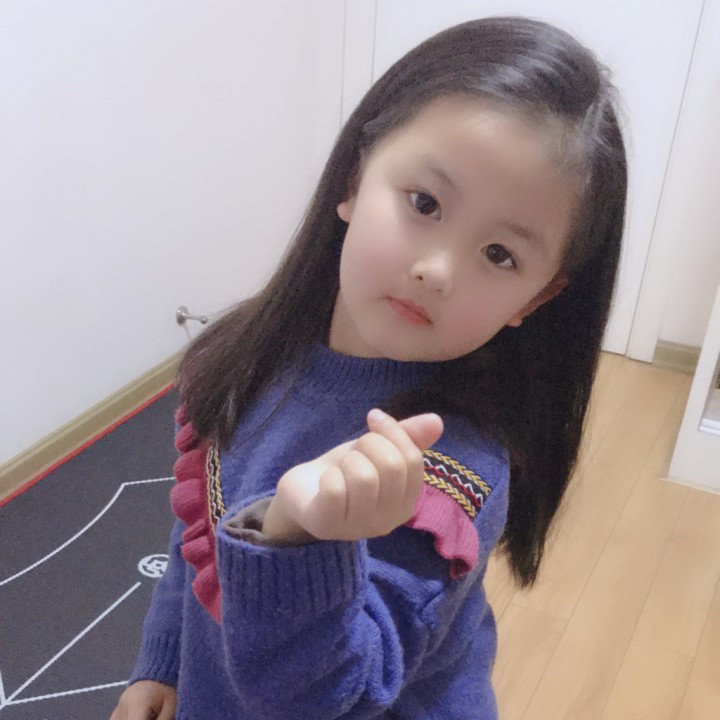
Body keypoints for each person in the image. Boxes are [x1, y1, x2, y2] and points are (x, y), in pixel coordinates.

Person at [110, 15, 627, 720]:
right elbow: (200, 525)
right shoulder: (248, 353)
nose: (437, 269)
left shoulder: (446, 471)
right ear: (355, 178)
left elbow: (330, 700)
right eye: (425, 203)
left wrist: (301, 540)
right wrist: (164, 658)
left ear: (534, 300)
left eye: (499, 255)